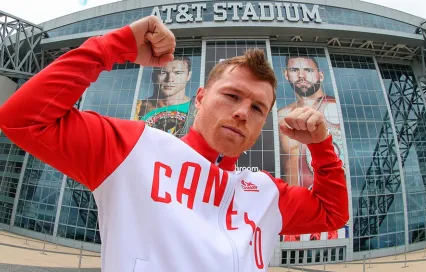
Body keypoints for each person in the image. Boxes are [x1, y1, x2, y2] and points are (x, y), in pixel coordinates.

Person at [0, 16, 348, 272]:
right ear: (199, 98)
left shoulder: (266, 192)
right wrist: (112, 46)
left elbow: (334, 213)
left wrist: (321, 145)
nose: (243, 112)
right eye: (231, 96)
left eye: (257, 107)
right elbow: (23, 118)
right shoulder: (133, 149)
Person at [278, 55, 344, 242]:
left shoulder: (334, 109)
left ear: (320, 75)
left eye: (307, 70)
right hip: (295, 214)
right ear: (286, 75)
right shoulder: (280, 115)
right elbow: (286, 166)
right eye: (294, 70)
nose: (301, 75)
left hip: (326, 210)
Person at [134, 56, 196, 137]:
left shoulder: (198, 109)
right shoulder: (136, 108)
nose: (170, 79)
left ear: (188, 76)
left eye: (178, 73)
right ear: (153, 76)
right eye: (163, 72)